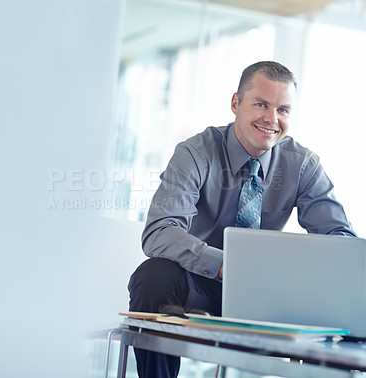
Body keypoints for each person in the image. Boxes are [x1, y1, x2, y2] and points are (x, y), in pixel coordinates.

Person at [128, 61, 356, 378]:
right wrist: (228, 265)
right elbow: (159, 231)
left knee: (342, 295)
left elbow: (342, 242)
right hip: (201, 284)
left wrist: (305, 272)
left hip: (270, 292)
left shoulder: (302, 165)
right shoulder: (195, 154)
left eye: (283, 110)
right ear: (236, 103)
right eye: (261, 104)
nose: (272, 119)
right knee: (153, 276)